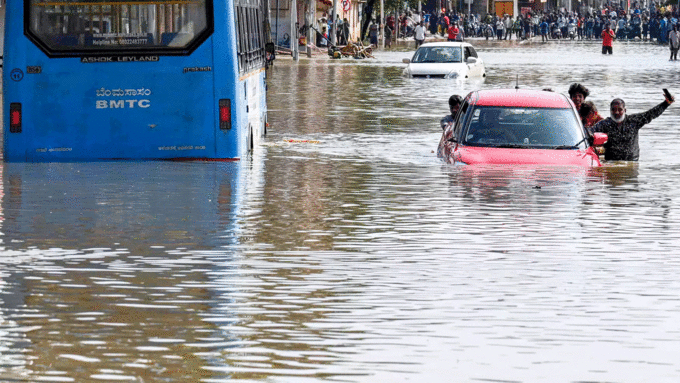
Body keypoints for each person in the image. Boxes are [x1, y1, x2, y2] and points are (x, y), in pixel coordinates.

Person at [590, 91, 674, 161]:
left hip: (632, 163)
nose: (616, 112)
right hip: (612, 163)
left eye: (620, 109)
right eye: (613, 110)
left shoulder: (634, 121)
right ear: (610, 111)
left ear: (625, 110)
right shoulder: (605, 124)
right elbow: (589, 132)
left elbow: (651, 114)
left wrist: (665, 103)